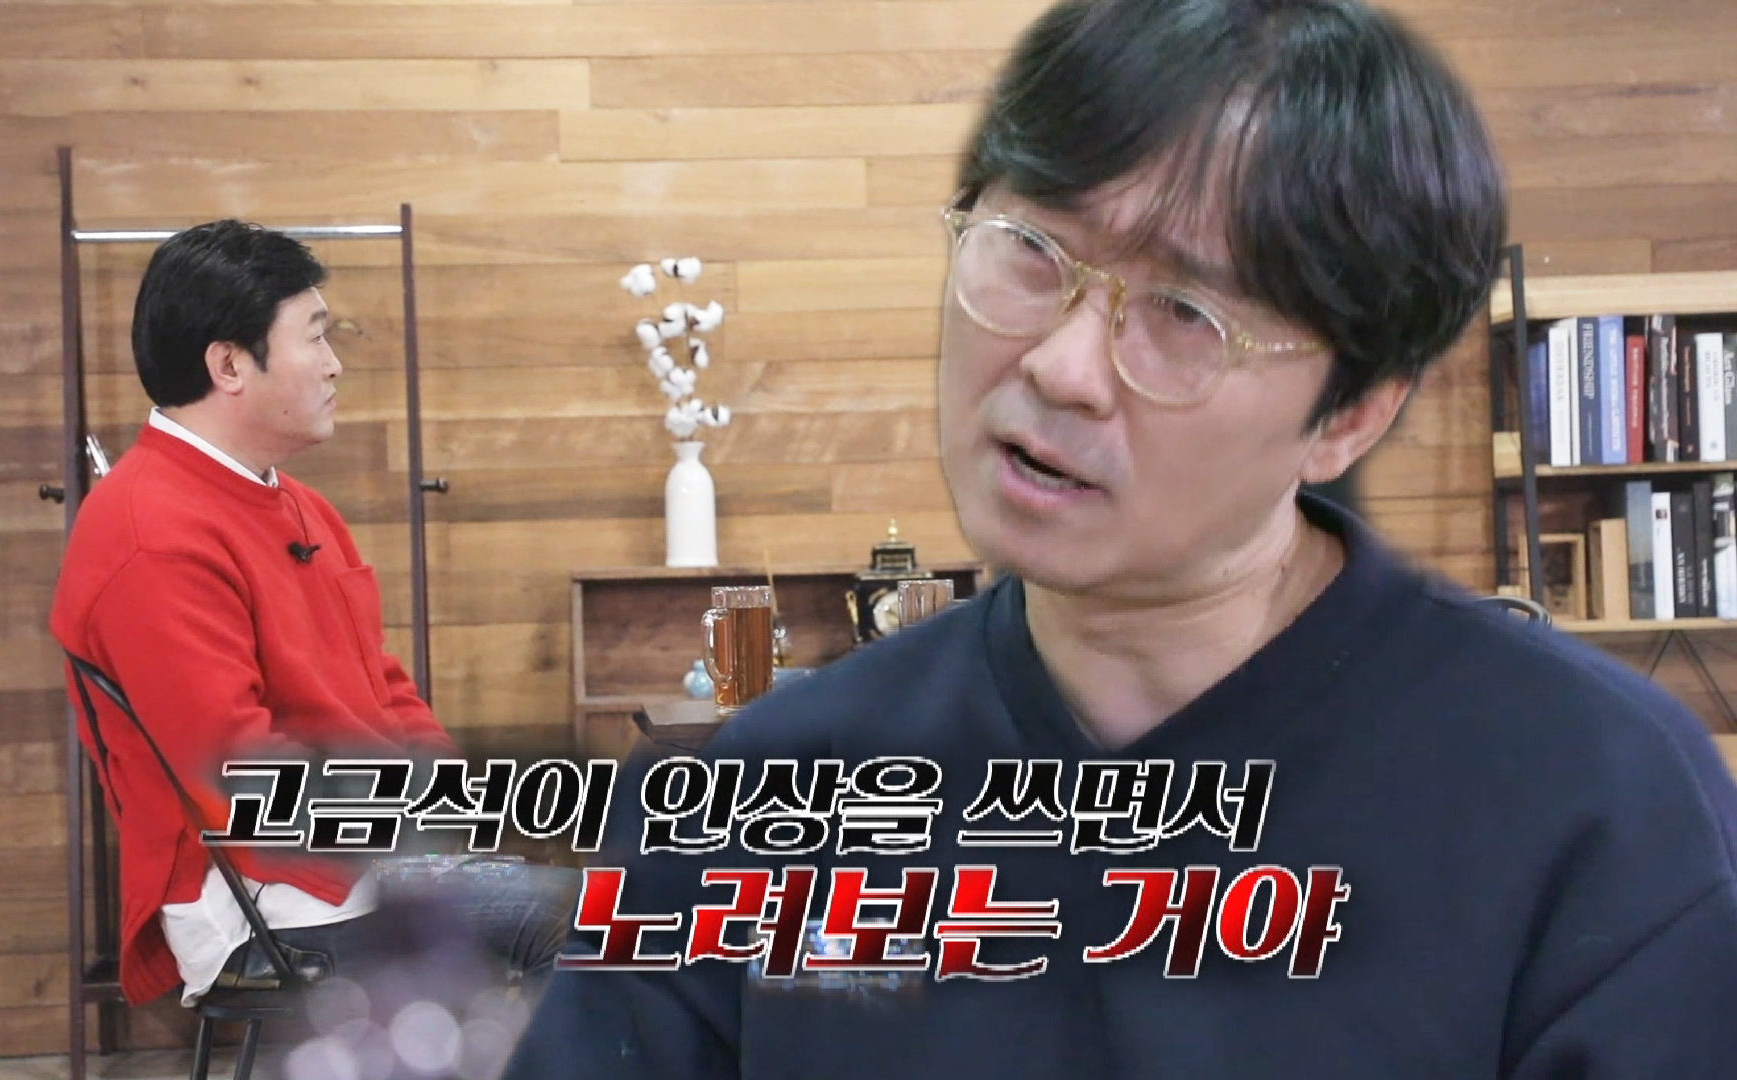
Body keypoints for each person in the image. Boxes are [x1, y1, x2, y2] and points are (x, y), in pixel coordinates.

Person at [503, 1, 1737, 1077]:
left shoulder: (1595, 801)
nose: (1061, 365)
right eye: (1031, 249)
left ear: (1350, 415)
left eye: (1186, 314)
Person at [49, 221, 575, 1014]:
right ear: (229, 365)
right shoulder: (148, 534)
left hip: (360, 861)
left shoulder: (299, 504)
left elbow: (385, 690)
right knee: (601, 924)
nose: (334, 364)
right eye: (315, 337)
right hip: (268, 900)